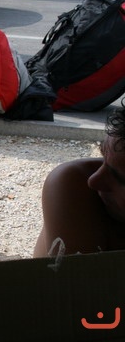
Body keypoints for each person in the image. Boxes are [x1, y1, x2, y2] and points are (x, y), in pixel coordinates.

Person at [33, 101, 125, 257]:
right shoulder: (74, 185)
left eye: (118, 178)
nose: (93, 180)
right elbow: (74, 273)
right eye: (103, 157)